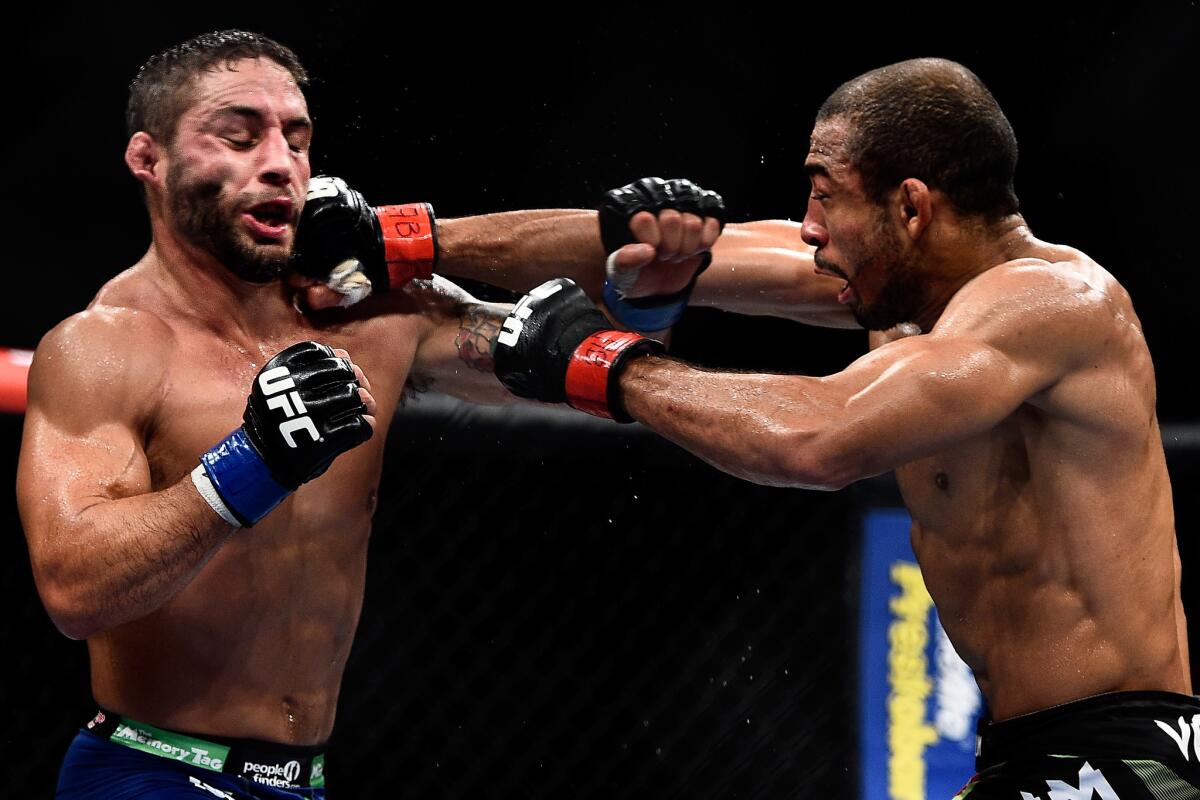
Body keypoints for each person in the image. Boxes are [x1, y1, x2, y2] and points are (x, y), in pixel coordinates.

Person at [14, 30, 726, 798]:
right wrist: (253, 463)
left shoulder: (371, 314)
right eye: (240, 135)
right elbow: (75, 592)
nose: (280, 162)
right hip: (151, 774)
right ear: (148, 160)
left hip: (306, 780)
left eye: (296, 138)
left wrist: (648, 296)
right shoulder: (104, 348)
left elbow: (573, 373)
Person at [491, 58, 1197, 798]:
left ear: (911, 209)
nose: (809, 226)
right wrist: (405, 241)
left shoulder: (1055, 302)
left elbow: (817, 440)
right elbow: (658, 252)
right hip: (1034, 755)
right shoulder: (908, 304)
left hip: (1126, 762)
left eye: (826, 195)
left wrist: (608, 364)